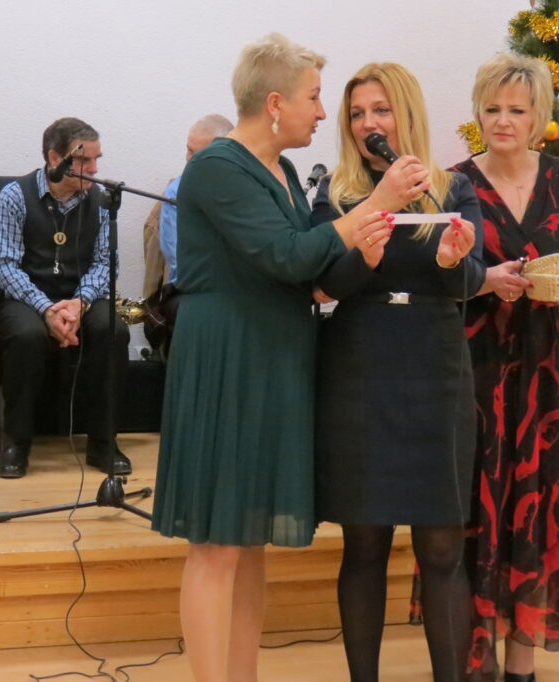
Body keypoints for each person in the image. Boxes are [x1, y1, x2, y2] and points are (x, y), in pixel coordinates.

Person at [151, 34, 422, 682]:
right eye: (315, 98)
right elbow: (286, 255)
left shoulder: (285, 173)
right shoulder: (217, 166)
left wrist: (365, 249)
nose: (324, 113)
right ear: (275, 104)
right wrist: (377, 205)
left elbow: (313, 269)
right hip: (228, 357)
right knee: (217, 544)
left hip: (273, 355)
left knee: (248, 544)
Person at [311, 62, 483, 682]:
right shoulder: (334, 194)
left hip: (436, 369)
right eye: (357, 113)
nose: (368, 124)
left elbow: (470, 282)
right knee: (364, 545)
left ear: (405, 115)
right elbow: (323, 285)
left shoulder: (451, 188)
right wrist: (363, 255)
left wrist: (451, 260)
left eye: (380, 110)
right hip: (361, 369)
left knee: (441, 548)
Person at [452, 53, 559, 682]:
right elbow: (446, 277)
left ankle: (522, 663)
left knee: (541, 504)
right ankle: (472, 656)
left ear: (538, 117)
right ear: (478, 112)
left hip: (550, 367)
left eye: (516, 110)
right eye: (492, 108)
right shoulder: (456, 183)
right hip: (480, 365)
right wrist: (487, 281)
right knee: (480, 506)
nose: (503, 120)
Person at [0, 117, 130, 479]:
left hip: (81, 295)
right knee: (26, 335)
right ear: (55, 158)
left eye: (97, 159)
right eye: (84, 160)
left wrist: (79, 303)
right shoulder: (14, 196)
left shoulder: (101, 199)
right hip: (26, 295)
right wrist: (46, 309)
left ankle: (103, 441)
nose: (94, 169)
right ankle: (17, 442)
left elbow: (106, 263)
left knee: (113, 330)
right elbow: (4, 267)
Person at [158, 113, 234, 285]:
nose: (190, 160)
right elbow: (182, 262)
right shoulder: (176, 194)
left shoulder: (246, 187)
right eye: (189, 150)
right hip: (195, 287)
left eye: (199, 154)